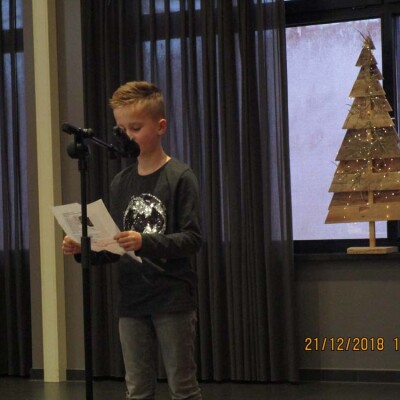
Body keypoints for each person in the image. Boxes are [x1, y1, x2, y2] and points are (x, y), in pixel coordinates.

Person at [62, 81, 202, 400]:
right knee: (137, 388)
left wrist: (143, 241)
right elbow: (115, 247)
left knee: (182, 387)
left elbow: (192, 239)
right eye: (122, 129)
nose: (128, 137)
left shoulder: (180, 176)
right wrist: (84, 248)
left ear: (160, 126)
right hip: (132, 298)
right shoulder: (120, 182)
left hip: (172, 297)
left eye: (136, 128)